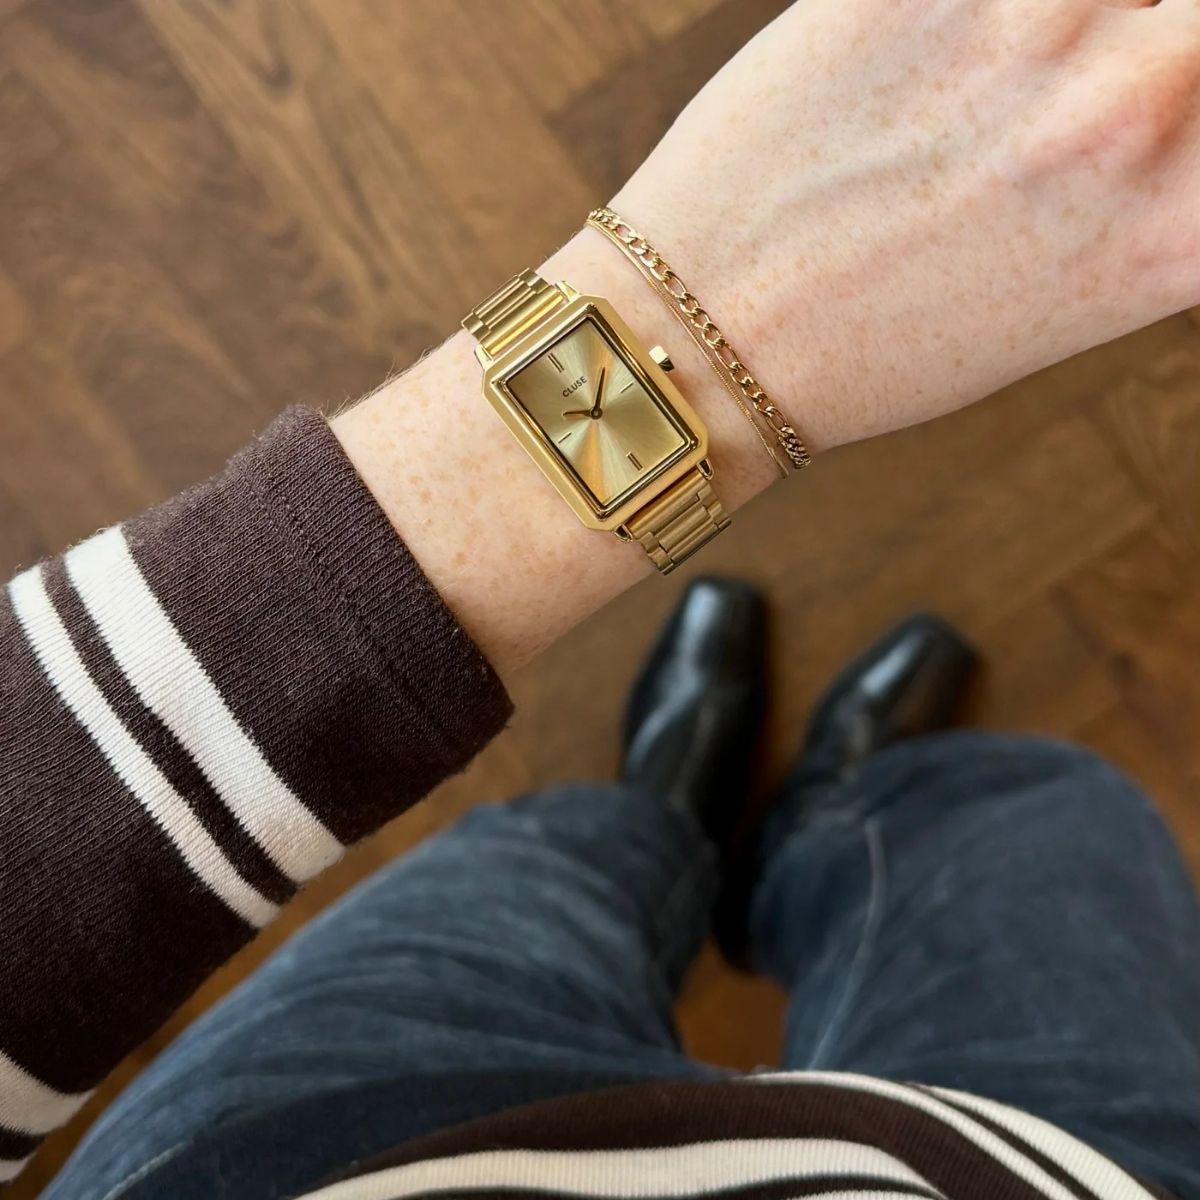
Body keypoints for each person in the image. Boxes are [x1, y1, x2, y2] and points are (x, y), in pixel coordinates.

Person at [1, 0, 1199, 1195]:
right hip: (1051, 1164)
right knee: (1037, 814)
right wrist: (710, 329)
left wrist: (688, 321)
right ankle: (851, 809)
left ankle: (663, 817)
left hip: (309, 1131)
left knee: (551, 868)